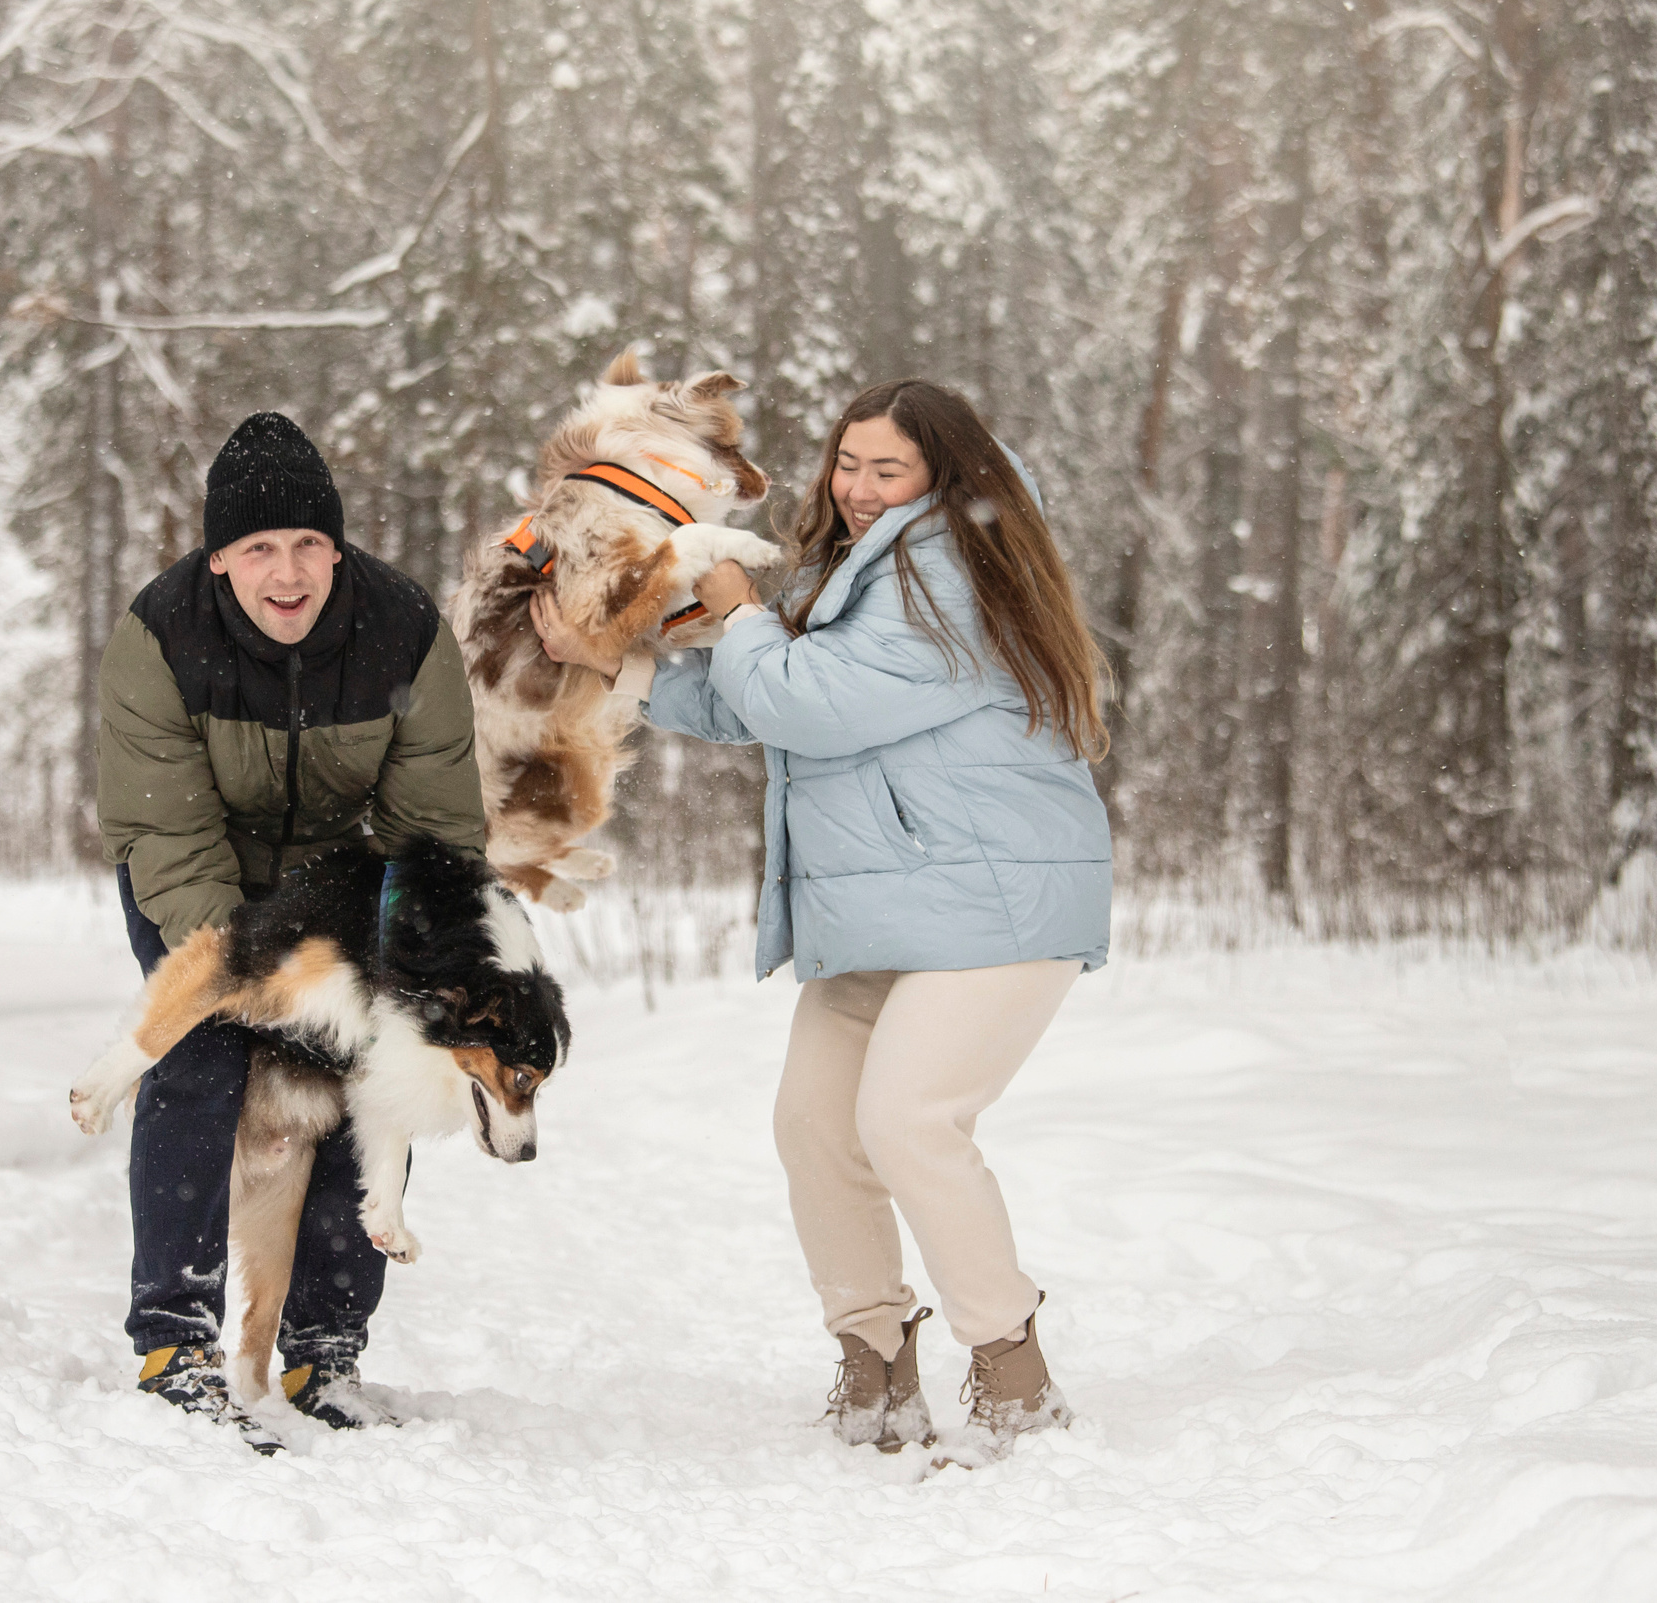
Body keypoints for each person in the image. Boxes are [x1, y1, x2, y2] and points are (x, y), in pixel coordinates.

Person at [534, 378, 1111, 1467]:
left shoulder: (955, 571)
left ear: (947, 474)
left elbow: (809, 700)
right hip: (890, 903)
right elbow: (774, 698)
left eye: (885, 469)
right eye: (847, 464)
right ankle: (874, 1364)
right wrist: (612, 659)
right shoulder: (869, 567)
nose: (854, 488)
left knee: (907, 1123)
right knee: (815, 1127)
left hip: (995, 904)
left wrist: (740, 610)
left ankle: (1013, 1378)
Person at [97, 410, 486, 1448]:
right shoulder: (159, 637)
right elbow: (162, 829)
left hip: (345, 898)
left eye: (310, 544)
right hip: (197, 889)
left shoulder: (403, 629)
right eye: (260, 547)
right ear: (219, 556)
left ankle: (328, 1349)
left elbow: (435, 827)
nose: (288, 572)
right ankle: (173, 1340)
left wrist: (401, 963)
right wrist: (247, 973)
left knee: (373, 1073)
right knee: (202, 1059)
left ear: (338, 548)